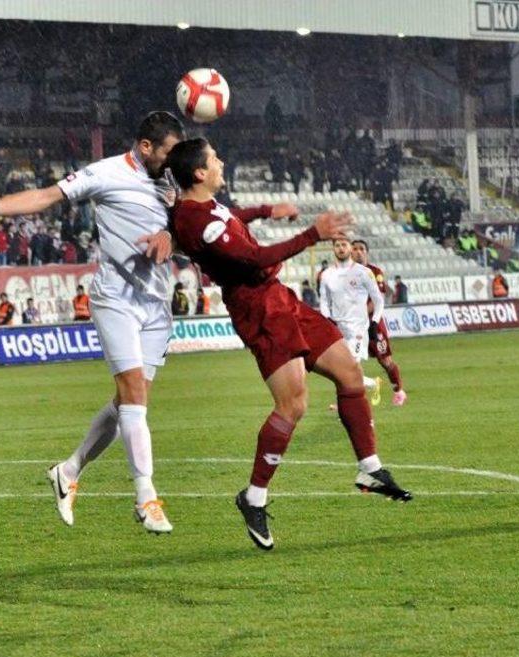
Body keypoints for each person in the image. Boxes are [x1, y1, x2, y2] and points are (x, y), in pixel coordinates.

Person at [0, 111, 185, 534]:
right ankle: (146, 498)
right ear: (145, 148)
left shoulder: (173, 180)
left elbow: (188, 227)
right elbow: (47, 196)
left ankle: (68, 472)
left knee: (128, 404)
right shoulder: (106, 173)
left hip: (157, 307)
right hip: (115, 300)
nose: (173, 159)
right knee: (135, 397)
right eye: (167, 151)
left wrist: (172, 238)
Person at [168, 137, 412, 551]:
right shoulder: (192, 220)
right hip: (258, 309)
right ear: (198, 173)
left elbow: (231, 217)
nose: (221, 161)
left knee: (350, 373)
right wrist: (312, 234)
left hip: (279, 298)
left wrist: (266, 210)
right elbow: (254, 258)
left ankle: (369, 467)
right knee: (293, 405)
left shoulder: (206, 208)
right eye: (215, 159)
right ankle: (254, 497)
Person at [319, 237, 384, 407]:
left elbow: (379, 300)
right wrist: (327, 320)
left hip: (358, 330)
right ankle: (372, 383)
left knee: (349, 368)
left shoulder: (364, 272)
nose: (341, 248)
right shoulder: (326, 275)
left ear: (350, 249)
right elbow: (324, 302)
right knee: (341, 370)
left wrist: (375, 323)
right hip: (338, 329)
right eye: (337, 245)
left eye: (344, 245)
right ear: (333, 249)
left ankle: (348, 407)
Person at [351, 240, 407, 406]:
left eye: (362, 249)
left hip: (373, 324)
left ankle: (399, 391)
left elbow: (376, 300)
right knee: (350, 365)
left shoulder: (375, 272)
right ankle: (349, 400)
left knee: (385, 361)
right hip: (354, 326)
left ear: (367, 252)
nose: (358, 252)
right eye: (355, 249)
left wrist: (360, 314)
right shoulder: (346, 274)